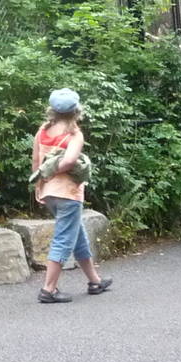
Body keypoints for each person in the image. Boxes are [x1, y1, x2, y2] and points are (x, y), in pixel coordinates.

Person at [32, 87, 111, 304]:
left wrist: (40, 185)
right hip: (68, 194)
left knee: (77, 236)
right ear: (76, 111)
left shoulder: (43, 130)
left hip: (49, 193)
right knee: (63, 240)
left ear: (52, 110)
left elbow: (37, 163)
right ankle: (48, 289)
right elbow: (68, 162)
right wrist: (55, 171)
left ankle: (95, 281)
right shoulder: (74, 135)